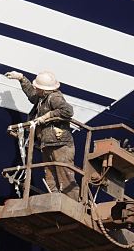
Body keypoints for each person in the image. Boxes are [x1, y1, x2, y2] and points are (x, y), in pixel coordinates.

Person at [5, 70, 79, 199]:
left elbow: (67, 111)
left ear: (44, 90)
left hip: (60, 144)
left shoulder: (54, 97)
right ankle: (55, 201)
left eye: (37, 87)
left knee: (65, 176)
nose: (35, 88)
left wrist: (47, 115)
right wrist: (21, 79)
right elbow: (32, 95)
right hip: (48, 143)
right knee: (50, 177)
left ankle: (72, 203)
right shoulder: (42, 98)